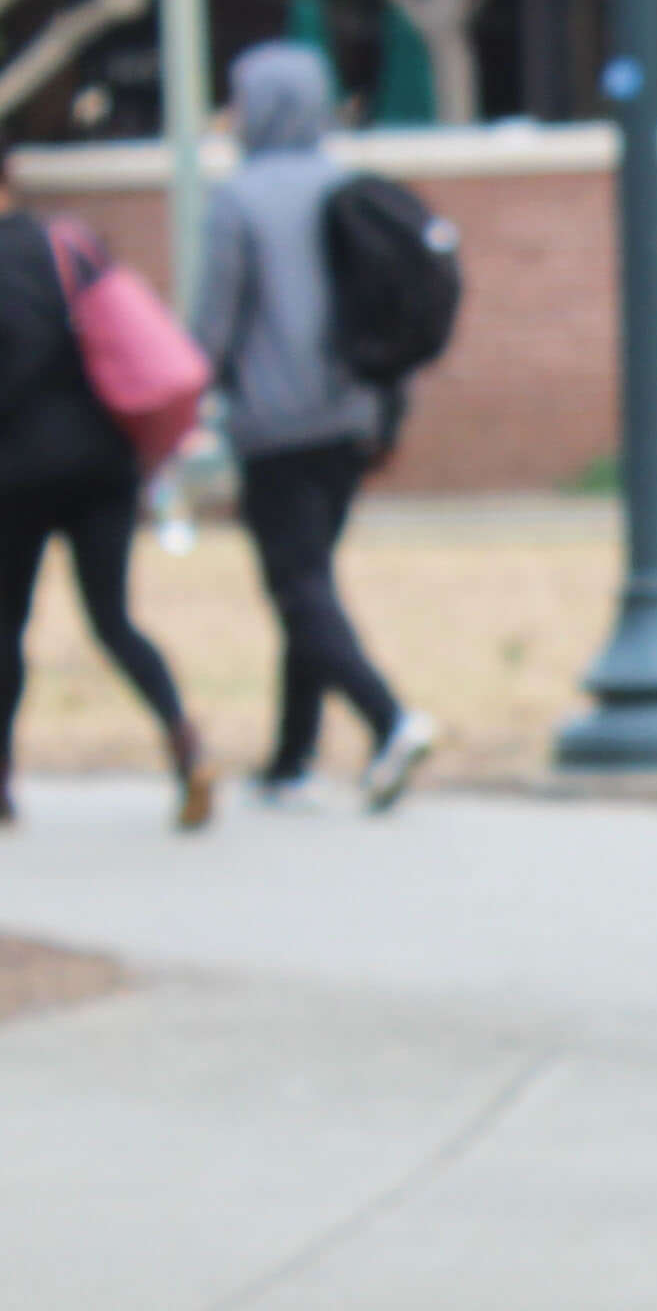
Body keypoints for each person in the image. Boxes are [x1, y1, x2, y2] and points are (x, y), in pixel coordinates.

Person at [0, 112, 216, 832]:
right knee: (111, 617)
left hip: (17, 465)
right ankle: (185, 744)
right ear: (8, 173)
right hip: (101, 456)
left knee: (9, 625)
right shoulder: (68, 245)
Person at [192, 41, 436, 812]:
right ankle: (291, 758)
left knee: (297, 586)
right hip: (349, 418)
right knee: (311, 581)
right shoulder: (352, 185)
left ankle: (388, 719)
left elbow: (211, 327)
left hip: (273, 424)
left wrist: (183, 405)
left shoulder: (237, 200)